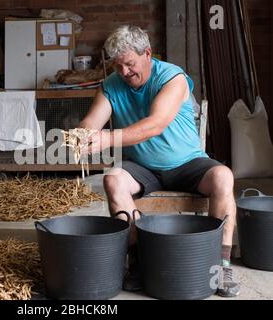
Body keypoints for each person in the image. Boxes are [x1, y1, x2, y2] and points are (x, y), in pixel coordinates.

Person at [77, 25, 240, 298]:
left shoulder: (171, 77)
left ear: (147, 54)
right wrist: (82, 135)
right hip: (143, 168)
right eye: (118, 67)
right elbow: (91, 122)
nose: (125, 73)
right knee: (112, 180)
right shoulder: (111, 86)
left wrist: (107, 139)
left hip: (188, 163)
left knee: (223, 177)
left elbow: (155, 124)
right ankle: (140, 261)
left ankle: (220, 265)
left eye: (129, 64)